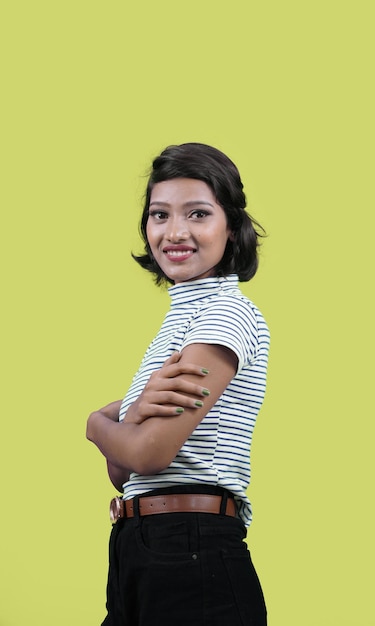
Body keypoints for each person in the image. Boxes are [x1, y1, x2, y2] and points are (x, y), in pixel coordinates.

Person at [86, 142, 270, 626]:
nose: (175, 232)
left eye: (198, 213)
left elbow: (149, 455)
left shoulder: (224, 314)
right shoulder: (180, 321)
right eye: (159, 214)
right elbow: (125, 474)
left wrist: (95, 424)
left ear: (231, 227)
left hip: (191, 549)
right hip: (141, 544)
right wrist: (129, 433)